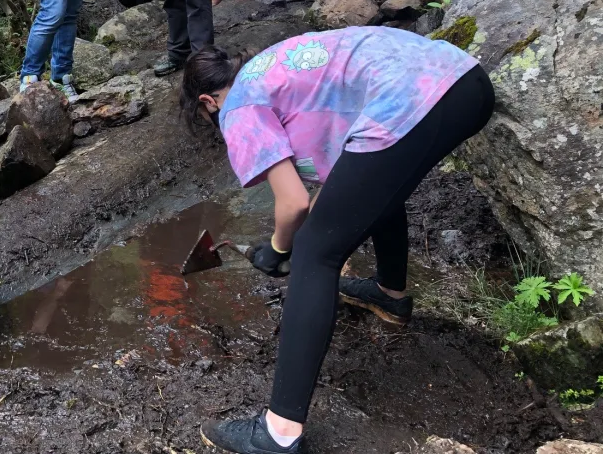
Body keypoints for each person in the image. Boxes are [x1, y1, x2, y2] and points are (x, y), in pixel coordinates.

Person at [180, 27, 494, 453]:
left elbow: (293, 204)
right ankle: (389, 293)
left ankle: (278, 433)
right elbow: (345, 183)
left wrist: (279, 250)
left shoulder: (238, 103)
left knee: (314, 253)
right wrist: (287, 240)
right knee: (381, 190)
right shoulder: (275, 68)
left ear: (207, 102)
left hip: (409, 99)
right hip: (464, 82)